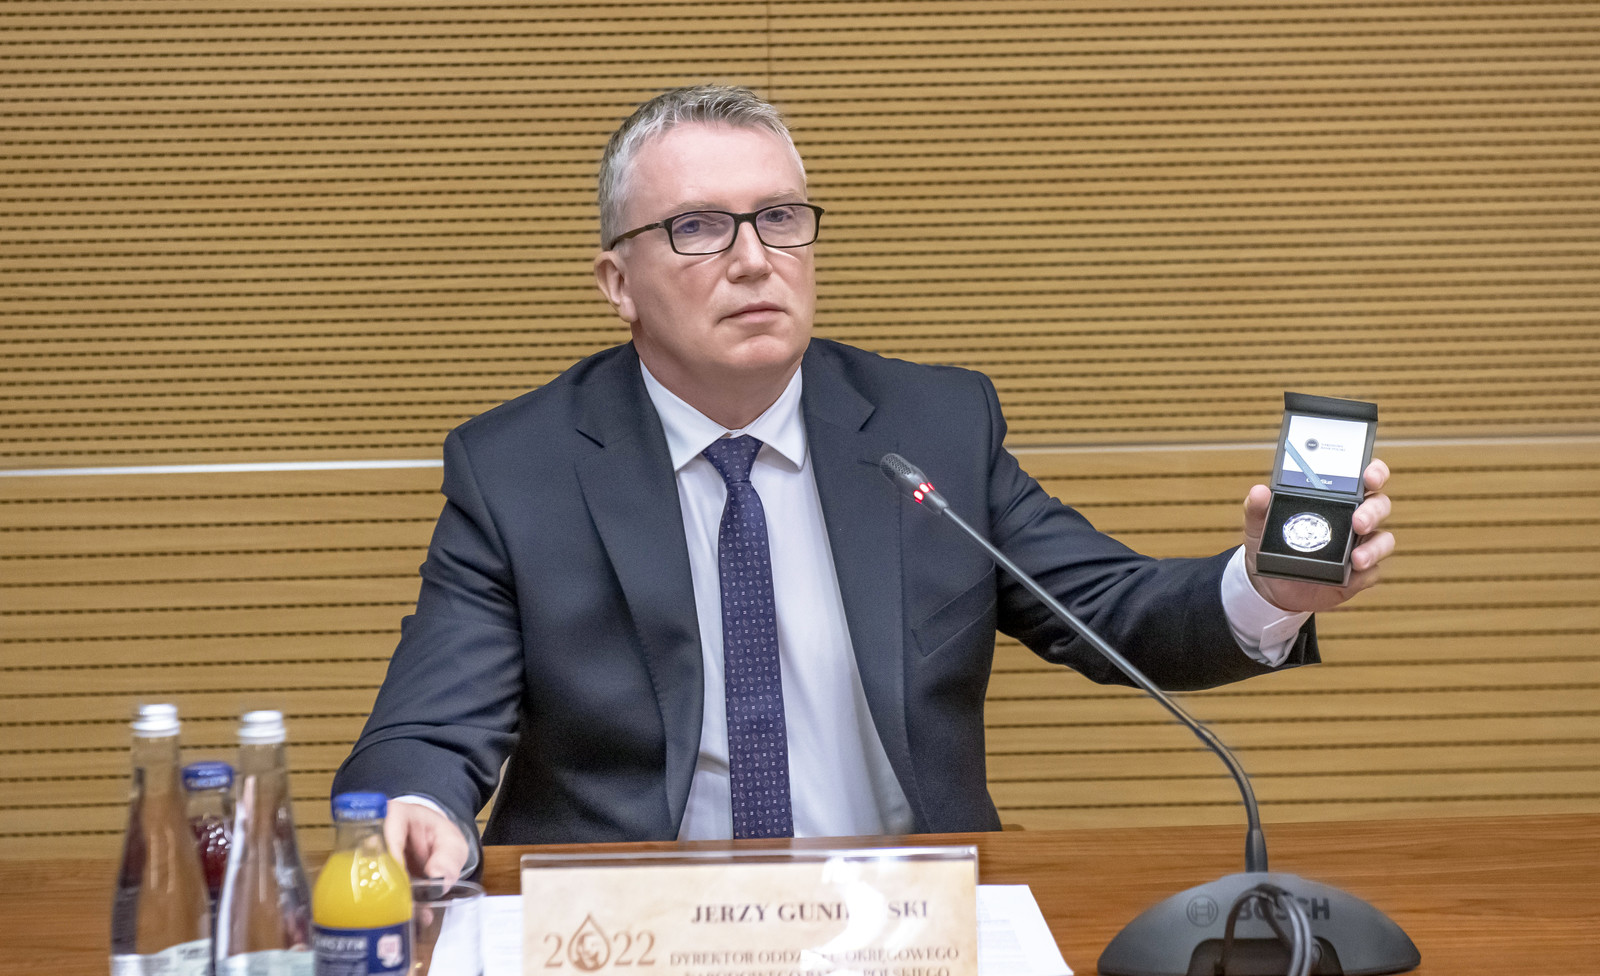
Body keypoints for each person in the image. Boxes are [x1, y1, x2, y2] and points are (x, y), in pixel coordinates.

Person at [331, 86, 1394, 883]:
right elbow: (424, 731)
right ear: (618, 281)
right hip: (630, 936)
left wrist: (1267, 589)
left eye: (780, 217)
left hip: (900, 927)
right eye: (697, 228)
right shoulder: (521, 468)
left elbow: (1113, 611)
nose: (754, 259)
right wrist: (417, 811)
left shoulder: (930, 427)